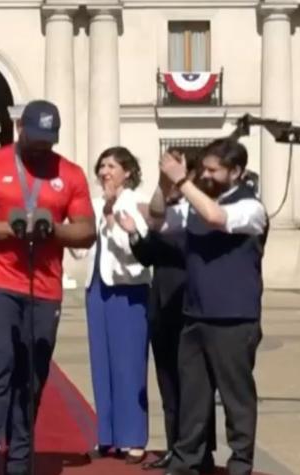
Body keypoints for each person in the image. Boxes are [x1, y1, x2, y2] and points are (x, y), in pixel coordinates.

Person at [0, 100, 96, 475]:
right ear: (19, 129)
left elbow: (86, 230)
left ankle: (19, 458)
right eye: (34, 139)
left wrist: (53, 229)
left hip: (44, 287)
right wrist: (8, 229)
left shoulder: (71, 174)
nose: (40, 149)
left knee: (31, 376)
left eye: (48, 142)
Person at [150, 138, 268, 475]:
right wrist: (164, 182)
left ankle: (240, 461)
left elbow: (217, 217)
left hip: (234, 318)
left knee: (236, 397)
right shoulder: (194, 204)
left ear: (236, 172)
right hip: (195, 316)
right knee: (193, 397)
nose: (206, 175)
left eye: (213, 170)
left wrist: (184, 181)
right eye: (203, 168)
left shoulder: (251, 208)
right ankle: (188, 460)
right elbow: (158, 219)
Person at [116, 148, 217, 472]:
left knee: (195, 386)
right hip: (162, 305)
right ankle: (177, 447)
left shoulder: (200, 213)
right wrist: (134, 232)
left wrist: (167, 193)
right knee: (169, 382)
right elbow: (151, 253)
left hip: (191, 306)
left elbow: (167, 234)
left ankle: (199, 451)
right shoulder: (172, 210)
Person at [71, 146, 151, 464]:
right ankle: (107, 436)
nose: (105, 171)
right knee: (101, 362)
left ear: (127, 172)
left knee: (129, 364)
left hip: (129, 292)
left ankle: (133, 438)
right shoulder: (94, 204)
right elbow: (81, 248)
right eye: (102, 166)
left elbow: (137, 250)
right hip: (97, 289)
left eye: (112, 166)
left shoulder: (137, 203)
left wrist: (113, 218)